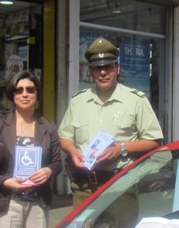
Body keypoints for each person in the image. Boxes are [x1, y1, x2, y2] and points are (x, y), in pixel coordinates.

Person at [59, 37, 164, 207]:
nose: (103, 72)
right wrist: (72, 150)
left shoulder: (136, 100)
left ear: (117, 68)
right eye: (97, 68)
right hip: (84, 187)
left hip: (120, 186)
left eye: (108, 67)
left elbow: (155, 141)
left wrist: (121, 148)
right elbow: (64, 137)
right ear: (90, 71)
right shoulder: (77, 102)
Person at [0, 71, 62, 228]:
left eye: (30, 90)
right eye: (19, 90)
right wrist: (5, 180)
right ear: (12, 95)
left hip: (37, 202)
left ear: (37, 94)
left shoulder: (48, 127)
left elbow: (58, 162)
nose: (24, 94)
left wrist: (49, 171)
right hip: (7, 201)